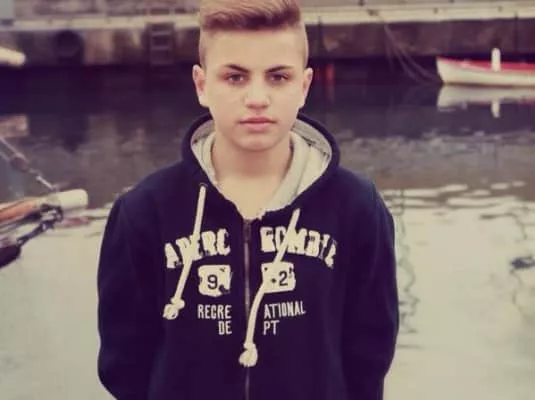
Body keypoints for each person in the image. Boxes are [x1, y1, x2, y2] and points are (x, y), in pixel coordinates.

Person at [96, 0, 399, 399]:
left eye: (278, 77)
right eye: (235, 77)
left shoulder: (356, 207)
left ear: (304, 86)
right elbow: (124, 364)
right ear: (202, 85)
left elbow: (369, 355)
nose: (257, 97)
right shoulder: (143, 212)